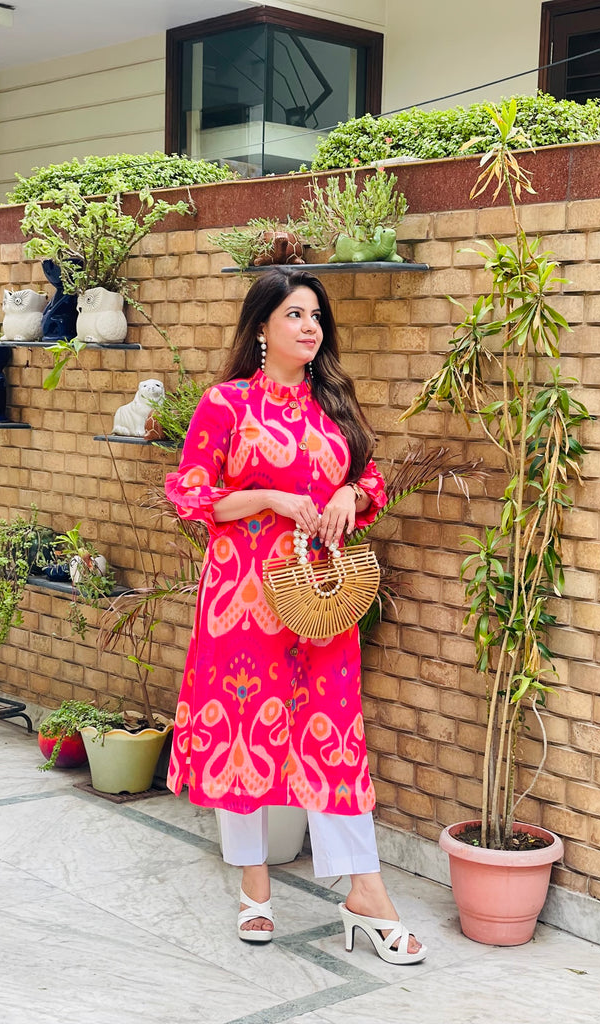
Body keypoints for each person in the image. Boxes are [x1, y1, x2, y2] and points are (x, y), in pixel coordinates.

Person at [165, 268, 425, 965]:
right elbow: (195, 498)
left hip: (319, 604)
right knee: (245, 736)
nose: (310, 326)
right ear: (260, 328)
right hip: (243, 601)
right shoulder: (225, 405)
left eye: (316, 316)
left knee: (333, 743)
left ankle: (365, 894)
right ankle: (254, 885)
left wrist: (349, 495)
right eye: (294, 314)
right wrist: (271, 500)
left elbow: (371, 479)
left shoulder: (333, 406)